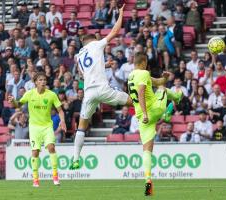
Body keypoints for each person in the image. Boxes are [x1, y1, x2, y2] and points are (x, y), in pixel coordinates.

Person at [70, 5, 134, 170]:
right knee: (134, 101)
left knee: (81, 127)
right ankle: (160, 111)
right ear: (92, 40)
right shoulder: (96, 45)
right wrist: (120, 14)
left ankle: (75, 159)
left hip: (89, 93)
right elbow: (115, 30)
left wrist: (104, 64)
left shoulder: (79, 56)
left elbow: (85, 74)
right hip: (103, 89)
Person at [126, 52, 182, 196]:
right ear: (143, 62)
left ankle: (148, 181)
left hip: (141, 117)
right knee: (163, 90)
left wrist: (165, 78)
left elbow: (157, 82)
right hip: (153, 110)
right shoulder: (144, 73)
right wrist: (146, 112)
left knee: (147, 149)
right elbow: (141, 93)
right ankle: (176, 99)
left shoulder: (131, 76)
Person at [8, 71, 67, 187]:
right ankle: (35, 180)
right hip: (34, 127)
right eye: (40, 80)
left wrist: (63, 121)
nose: (43, 82)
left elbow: (60, 110)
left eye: (44, 80)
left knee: (51, 147)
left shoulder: (51, 94)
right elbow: (19, 105)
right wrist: (13, 101)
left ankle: (55, 176)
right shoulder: (29, 94)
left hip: (47, 126)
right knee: (35, 152)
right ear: (35, 82)